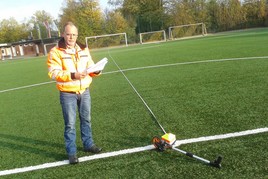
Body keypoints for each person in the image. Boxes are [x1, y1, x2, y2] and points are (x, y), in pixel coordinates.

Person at [47, 22, 102, 164]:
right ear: (63, 34)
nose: (71, 37)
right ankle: (72, 152)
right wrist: (73, 75)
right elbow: (53, 73)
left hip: (84, 91)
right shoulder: (55, 51)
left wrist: (96, 70)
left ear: (77, 35)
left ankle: (88, 144)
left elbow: (90, 66)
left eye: (74, 34)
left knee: (86, 119)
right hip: (67, 93)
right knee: (70, 124)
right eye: (68, 34)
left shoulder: (84, 49)